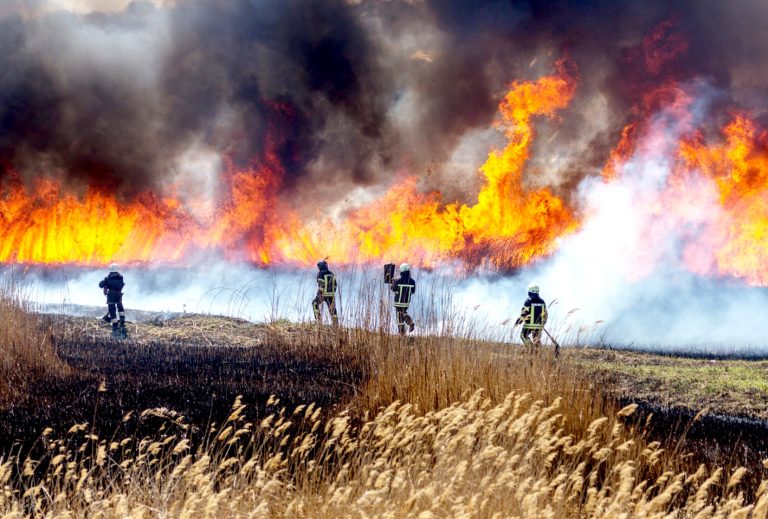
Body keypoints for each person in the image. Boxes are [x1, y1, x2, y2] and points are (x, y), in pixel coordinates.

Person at [99, 263, 127, 338]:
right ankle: (122, 321)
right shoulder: (121, 277)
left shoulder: (107, 278)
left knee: (112, 309)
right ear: (117, 270)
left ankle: (115, 324)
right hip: (119, 294)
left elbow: (100, 285)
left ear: (110, 270)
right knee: (120, 307)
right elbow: (121, 285)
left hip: (111, 294)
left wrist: (105, 284)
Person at [516, 283, 547, 348]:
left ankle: (531, 348)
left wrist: (519, 320)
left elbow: (524, 313)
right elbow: (545, 314)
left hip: (529, 325)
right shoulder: (542, 301)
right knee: (536, 338)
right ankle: (538, 351)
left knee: (523, 335)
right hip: (539, 325)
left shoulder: (528, 301)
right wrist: (543, 323)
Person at [391, 263, 416, 335]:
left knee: (399, 315)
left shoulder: (396, 280)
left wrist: (392, 283)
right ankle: (407, 326)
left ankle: (403, 331)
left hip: (398, 302)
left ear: (401, 270)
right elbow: (413, 291)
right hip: (406, 302)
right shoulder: (412, 281)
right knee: (403, 313)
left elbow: (393, 289)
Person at [312, 260, 338, 325]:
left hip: (323, 294)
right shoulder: (331, 274)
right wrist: (332, 292)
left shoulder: (320, 274)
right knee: (332, 309)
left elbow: (321, 285)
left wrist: (319, 294)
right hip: (331, 295)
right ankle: (335, 324)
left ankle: (319, 321)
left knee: (314, 303)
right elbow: (335, 285)